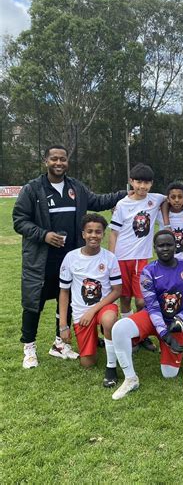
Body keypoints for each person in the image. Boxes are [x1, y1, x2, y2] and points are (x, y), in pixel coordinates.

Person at [13, 145, 126, 369]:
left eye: (62, 159)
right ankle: (29, 348)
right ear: (46, 161)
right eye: (54, 159)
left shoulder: (76, 187)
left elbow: (99, 201)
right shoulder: (33, 189)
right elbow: (19, 220)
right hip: (41, 260)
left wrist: (126, 194)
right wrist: (44, 235)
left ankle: (59, 343)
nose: (59, 163)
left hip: (71, 259)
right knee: (34, 303)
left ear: (67, 162)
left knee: (65, 299)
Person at [111, 230, 183, 400]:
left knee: (169, 374)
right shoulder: (148, 271)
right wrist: (165, 335)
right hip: (153, 317)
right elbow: (153, 307)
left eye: (169, 244)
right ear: (155, 248)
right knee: (119, 328)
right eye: (161, 245)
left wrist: (181, 318)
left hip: (175, 322)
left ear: (176, 246)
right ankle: (130, 379)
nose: (165, 248)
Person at [108, 163, 167, 352]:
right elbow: (114, 233)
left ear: (151, 183)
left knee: (142, 300)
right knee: (125, 298)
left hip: (141, 260)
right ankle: (131, 336)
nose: (142, 186)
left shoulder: (155, 199)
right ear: (131, 182)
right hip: (121, 259)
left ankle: (141, 332)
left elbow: (176, 196)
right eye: (138, 182)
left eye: (146, 183)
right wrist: (111, 259)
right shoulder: (122, 204)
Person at [58, 214, 121, 386]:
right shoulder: (71, 257)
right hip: (81, 312)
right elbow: (64, 292)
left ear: (103, 234)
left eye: (98, 232)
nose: (94, 235)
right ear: (83, 234)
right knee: (88, 363)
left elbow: (117, 291)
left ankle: (111, 366)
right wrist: (63, 326)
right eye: (90, 231)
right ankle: (97, 338)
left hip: (103, 307)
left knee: (109, 320)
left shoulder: (110, 258)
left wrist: (92, 311)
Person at [159, 182, 183, 261]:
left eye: (180, 197)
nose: (177, 200)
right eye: (173, 197)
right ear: (168, 199)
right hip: (166, 260)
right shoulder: (160, 213)